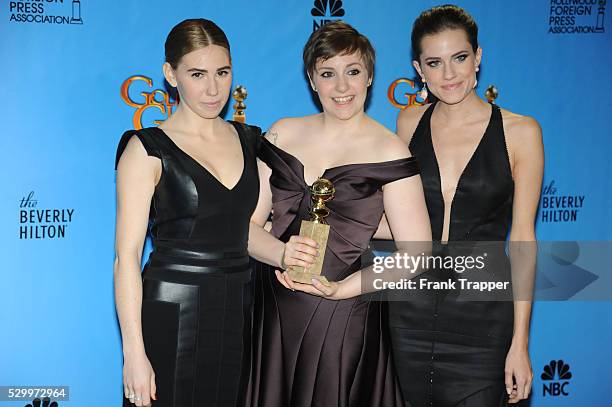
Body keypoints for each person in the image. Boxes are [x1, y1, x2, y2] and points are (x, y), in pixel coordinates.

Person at [246, 21, 431, 407]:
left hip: (345, 314)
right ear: (312, 80)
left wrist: (342, 289)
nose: (342, 87)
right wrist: (280, 253)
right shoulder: (282, 132)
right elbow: (247, 227)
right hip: (274, 309)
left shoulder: (390, 151)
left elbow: (416, 254)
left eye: (353, 72)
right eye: (328, 74)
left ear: (369, 77)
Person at [386, 5, 542, 406]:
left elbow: (523, 239)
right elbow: (391, 219)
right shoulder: (408, 124)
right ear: (419, 70)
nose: (449, 74)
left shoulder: (520, 131)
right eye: (434, 63)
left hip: (483, 316)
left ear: (478, 57)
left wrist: (519, 343)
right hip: (409, 312)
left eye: (459, 58)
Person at [114, 19, 263, 407]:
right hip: (172, 313)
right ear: (171, 74)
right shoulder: (145, 149)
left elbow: (264, 227)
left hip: (241, 312)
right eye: (197, 74)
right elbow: (127, 257)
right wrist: (134, 352)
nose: (213, 89)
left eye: (222, 72)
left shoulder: (253, 141)